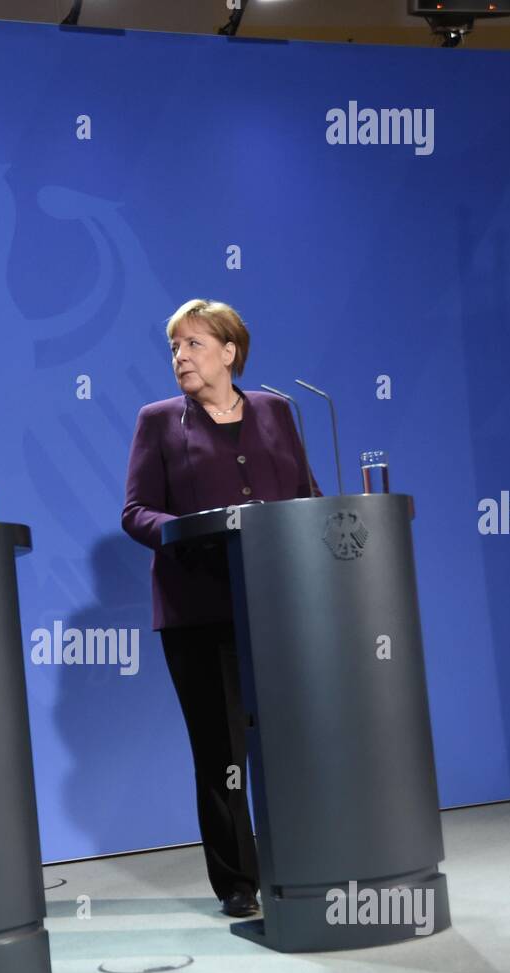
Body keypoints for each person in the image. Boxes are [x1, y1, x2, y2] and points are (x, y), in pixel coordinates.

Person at [122, 298, 321, 920]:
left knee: (289, 740)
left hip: (277, 603)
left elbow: (306, 497)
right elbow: (136, 512)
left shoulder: (277, 411)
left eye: (193, 344)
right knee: (221, 751)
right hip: (198, 610)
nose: (180, 357)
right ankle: (238, 882)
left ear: (229, 352)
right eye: (175, 347)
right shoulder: (158, 421)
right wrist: (187, 529)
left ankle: (302, 861)